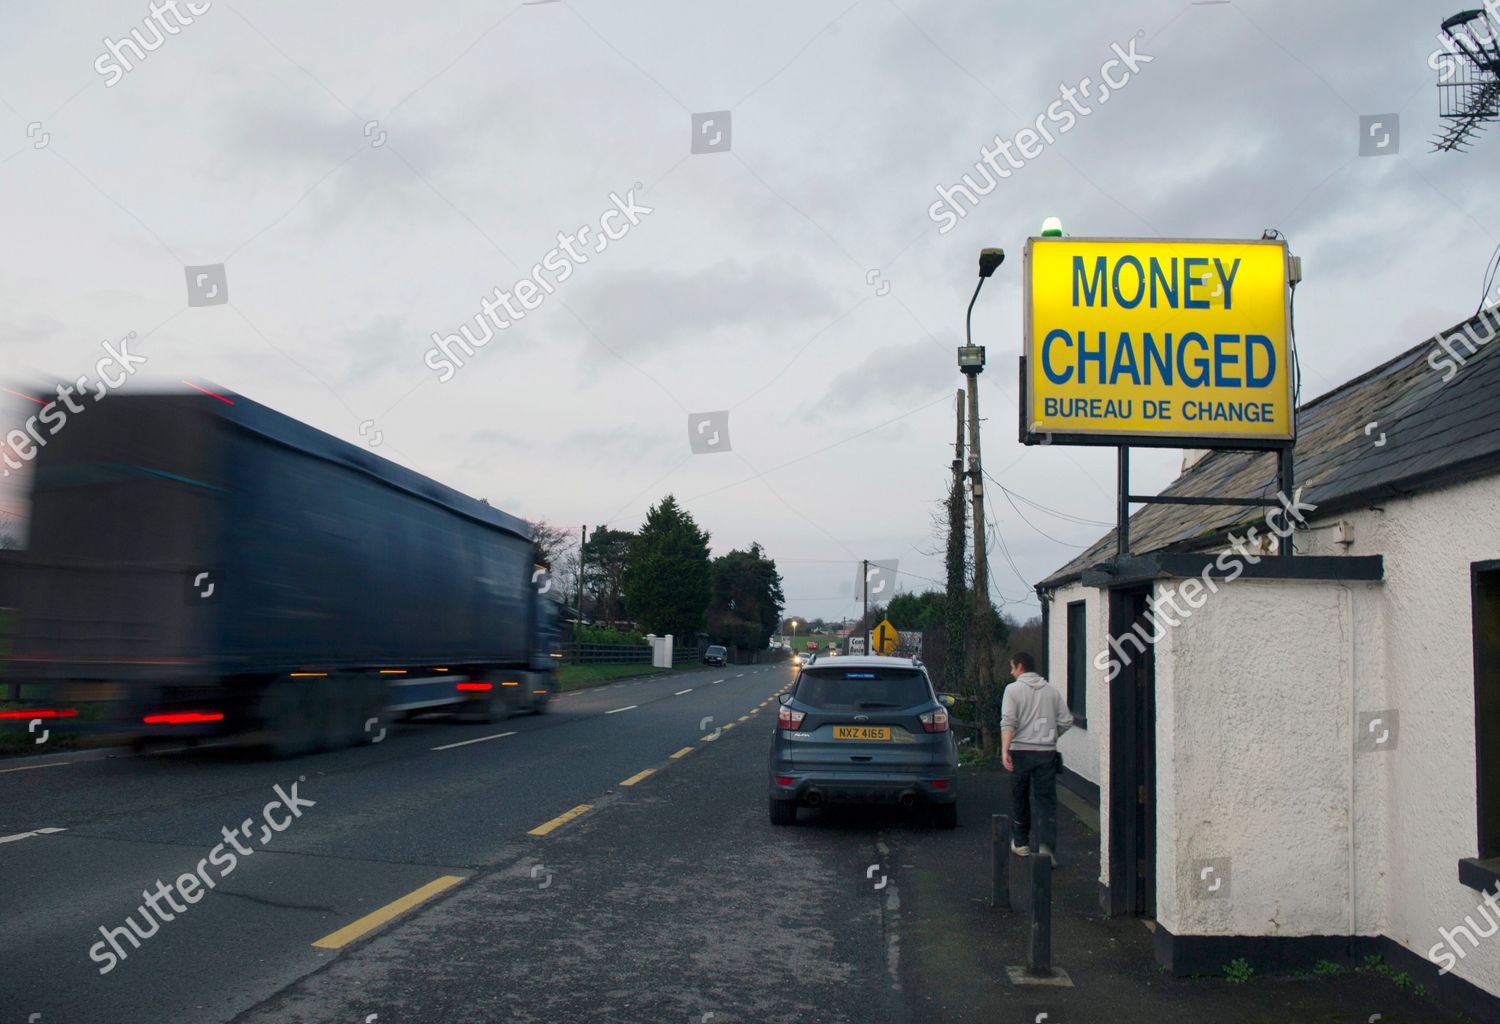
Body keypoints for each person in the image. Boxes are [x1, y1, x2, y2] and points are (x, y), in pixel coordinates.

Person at [1000, 651, 1073, 864]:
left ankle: (1021, 843)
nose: (1011, 672)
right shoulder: (1051, 691)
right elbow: (1066, 720)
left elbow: (1008, 721)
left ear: (1020, 666)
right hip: (1046, 753)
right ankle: (1046, 850)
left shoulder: (1012, 690)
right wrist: (1052, 734)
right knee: (1046, 801)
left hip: (1020, 752)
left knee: (1020, 797)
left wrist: (1005, 750)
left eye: (1012, 667)